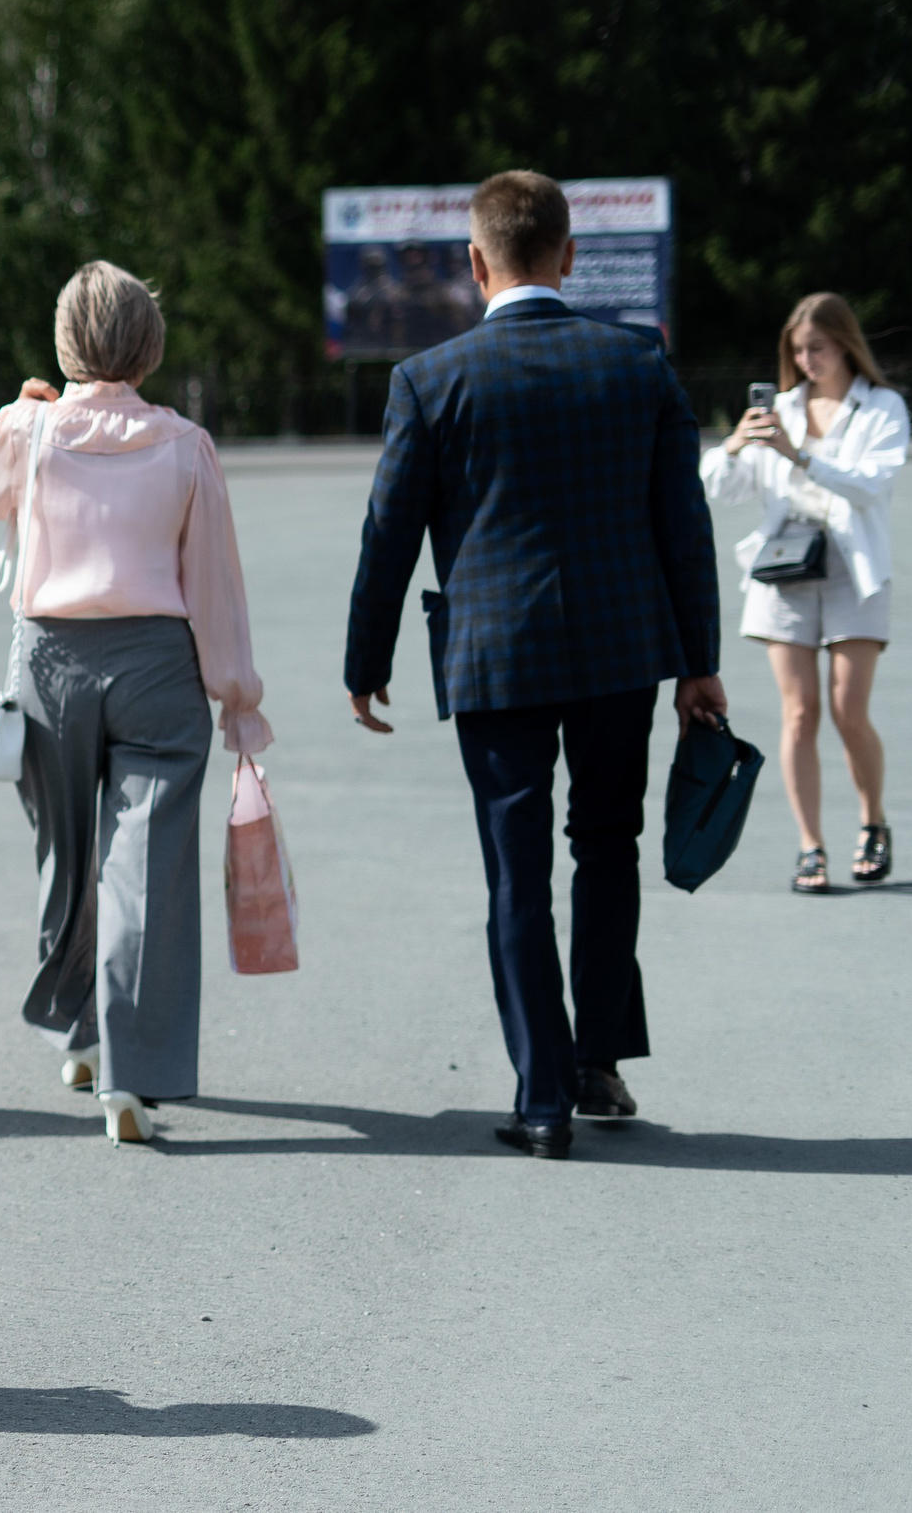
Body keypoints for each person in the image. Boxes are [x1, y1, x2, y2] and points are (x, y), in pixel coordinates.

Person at [343, 171, 723, 1161]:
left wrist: (364, 658)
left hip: (493, 657)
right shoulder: (637, 363)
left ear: (474, 265)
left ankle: (543, 1098)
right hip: (620, 651)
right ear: (568, 255)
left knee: (516, 874)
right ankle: (599, 1061)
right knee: (608, 844)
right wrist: (699, 664)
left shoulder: (429, 380)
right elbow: (682, 528)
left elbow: (387, 534)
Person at [0, 260, 273, 1148]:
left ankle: (78, 1027)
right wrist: (237, 700)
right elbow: (216, 588)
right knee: (148, 869)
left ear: (65, 342)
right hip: (160, 665)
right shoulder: (186, 443)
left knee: (68, 856)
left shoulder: (33, 431)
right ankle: (132, 1071)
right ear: (149, 346)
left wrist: (13, 415)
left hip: (49, 661)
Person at [700, 293, 908, 892]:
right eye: (797, 349)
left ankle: (872, 823)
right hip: (784, 570)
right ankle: (809, 845)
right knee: (798, 714)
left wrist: (801, 457)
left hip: (853, 571)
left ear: (845, 344)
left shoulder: (883, 407)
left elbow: (872, 484)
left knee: (848, 710)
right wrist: (736, 445)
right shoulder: (781, 409)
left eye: (816, 346)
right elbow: (721, 488)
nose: (806, 358)